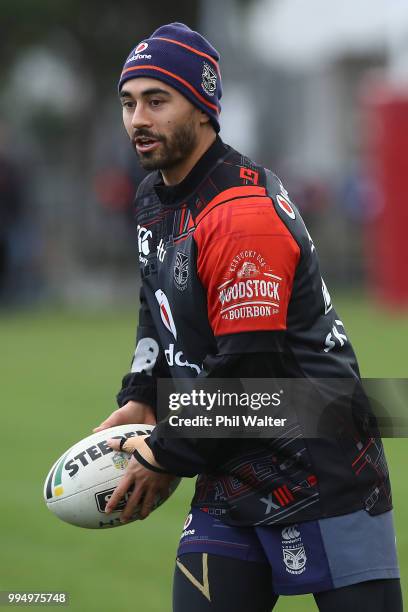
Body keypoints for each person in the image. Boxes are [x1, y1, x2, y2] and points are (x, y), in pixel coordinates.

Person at [94, 23, 402, 612]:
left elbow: (250, 365)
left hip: (322, 462)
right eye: (128, 103)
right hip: (227, 458)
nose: (137, 119)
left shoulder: (241, 214)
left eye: (157, 101)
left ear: (204, 106)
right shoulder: (154, 198)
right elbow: (156, 310)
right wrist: (144, 395)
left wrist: (164, 453)